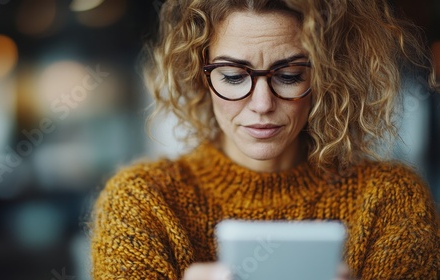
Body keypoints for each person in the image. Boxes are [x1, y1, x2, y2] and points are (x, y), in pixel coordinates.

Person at [90, 0, 440, 279]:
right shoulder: (144, 202)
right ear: (199, 74)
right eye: (232, 76)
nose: (262, 104)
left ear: (329, 77)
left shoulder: (389, 201)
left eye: (288, 76)